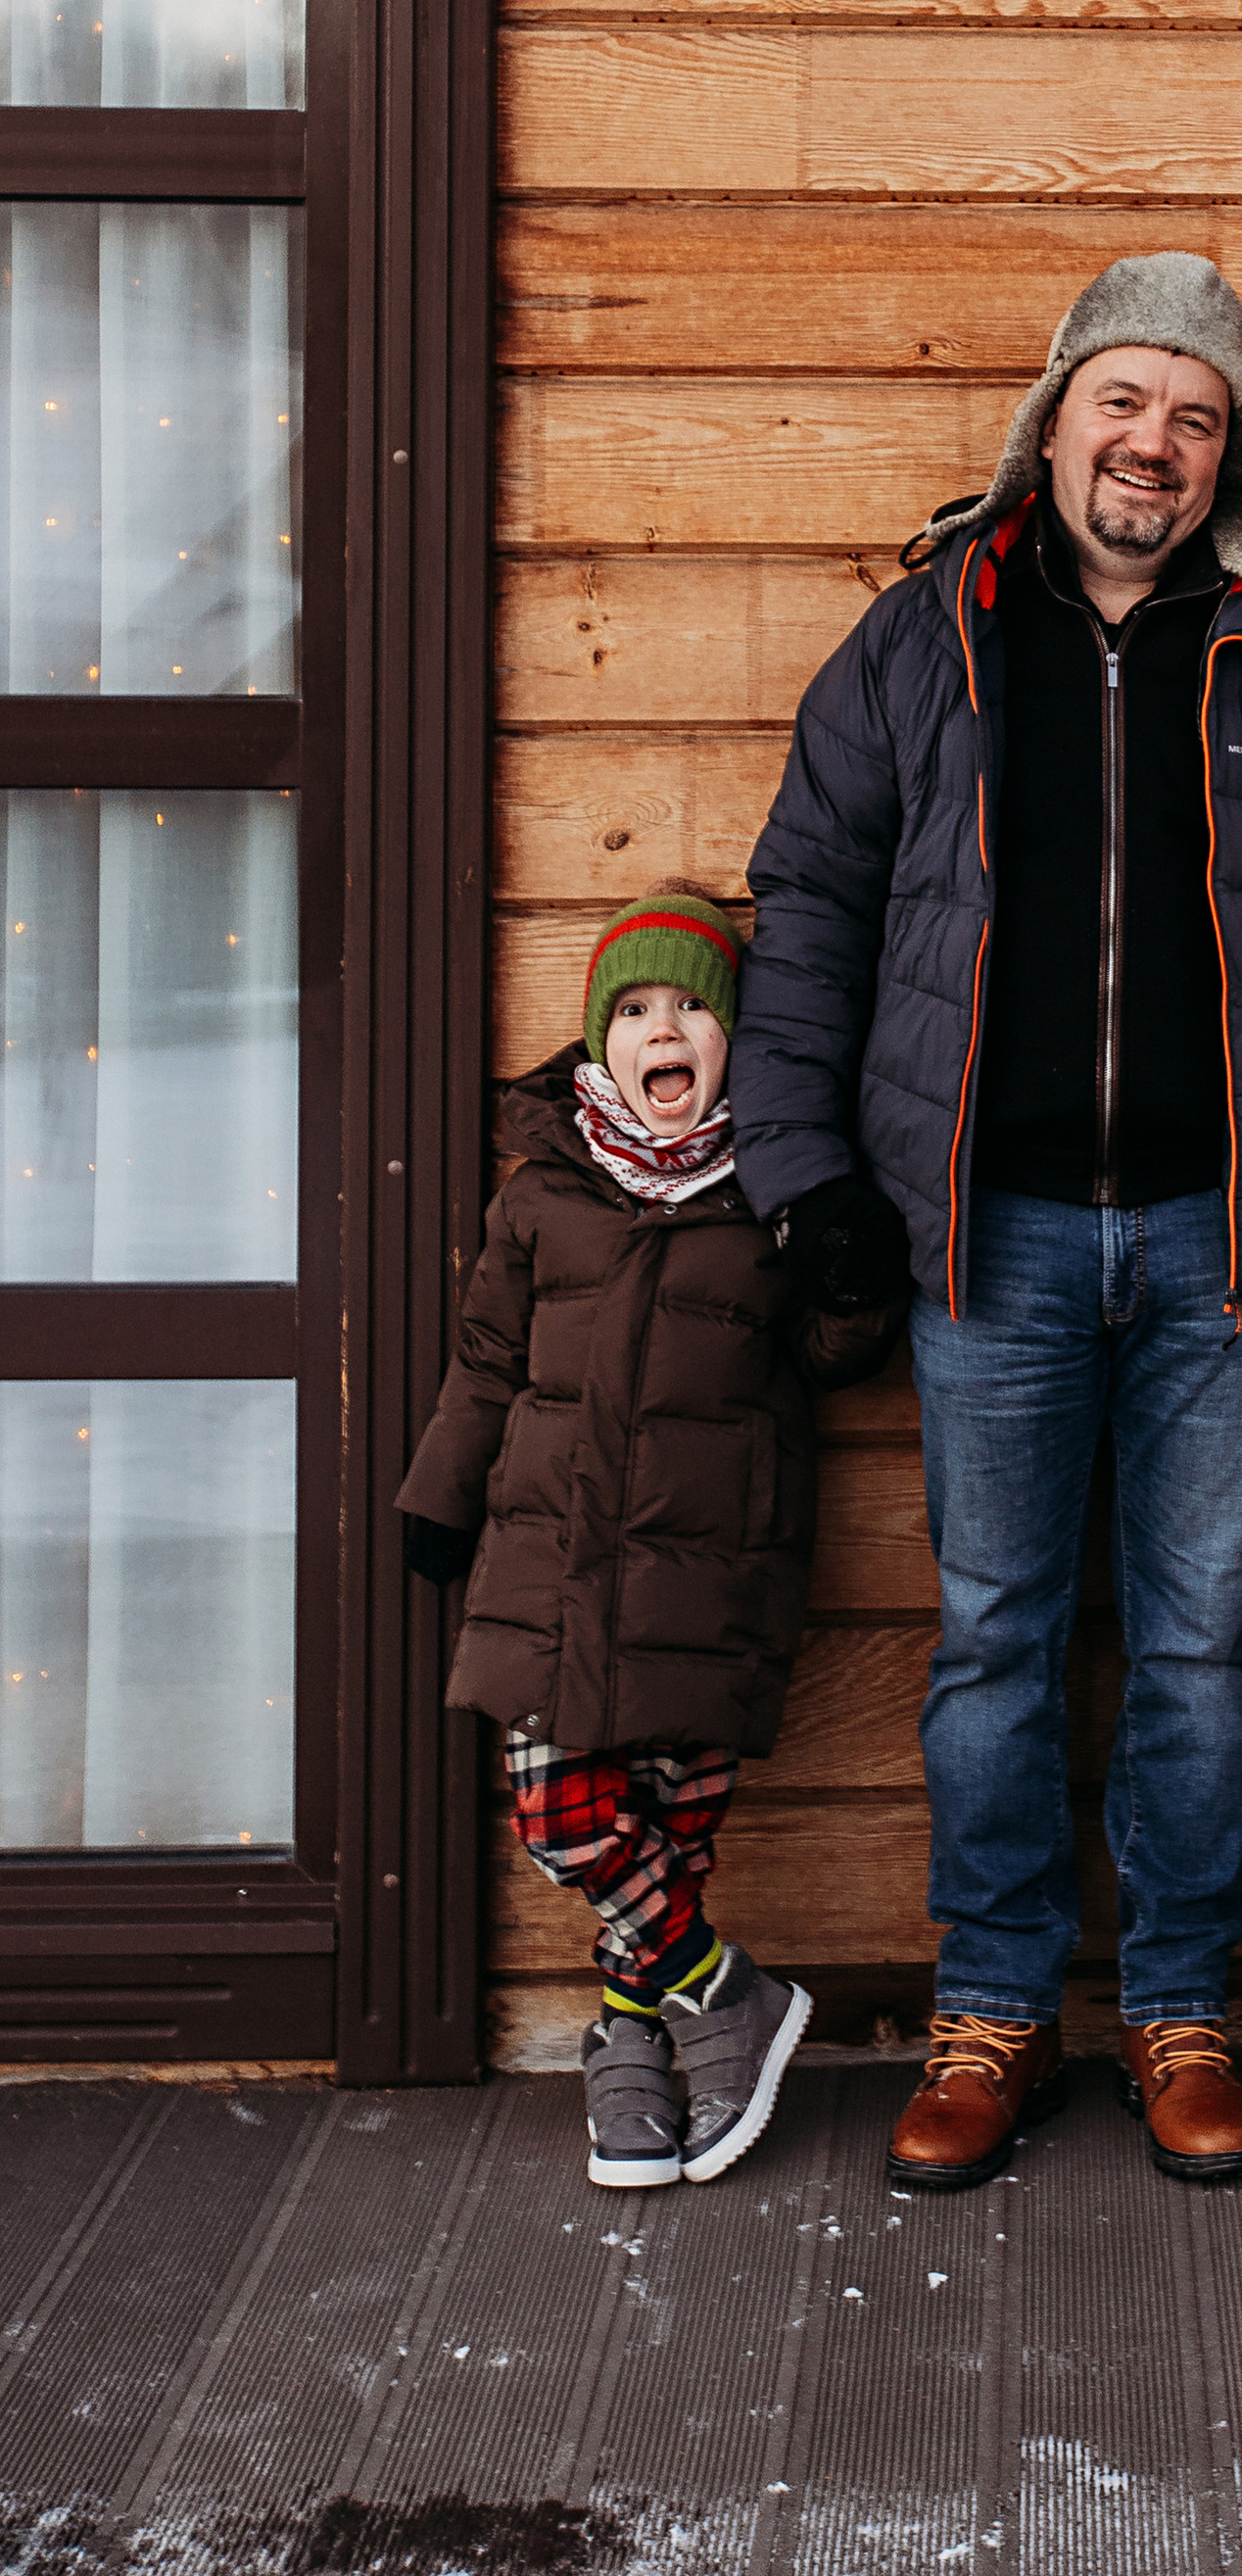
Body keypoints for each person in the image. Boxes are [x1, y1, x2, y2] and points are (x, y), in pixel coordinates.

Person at [733, 255, 1242, 2194]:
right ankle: (994, 2012)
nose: (1152, 444)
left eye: (1194, 418)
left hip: (1220, 1244)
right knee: (993, 1645)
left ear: (1228, 459)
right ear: (1054, 418)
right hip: (987, 1238)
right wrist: (803, 1178)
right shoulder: (922, 637)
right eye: (1125, 401)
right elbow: (813, 901)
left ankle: (1178, 2010)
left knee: (1194, 1653)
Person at [398, 891, 825, 2193]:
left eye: (693, 1005)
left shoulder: (771, 1193)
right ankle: (725, 1991)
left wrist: (848, 1257)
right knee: (564, 1817)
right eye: (633, 1010)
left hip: (711, 1569)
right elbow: (487, 1363)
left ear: (736, 1038)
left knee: (670, 1833)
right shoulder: (544, 1196)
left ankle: (632, 2035)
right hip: (554, 1571)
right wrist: (439, 1495)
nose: (663, 1030)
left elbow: (835, 1351)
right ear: (599, 1043)